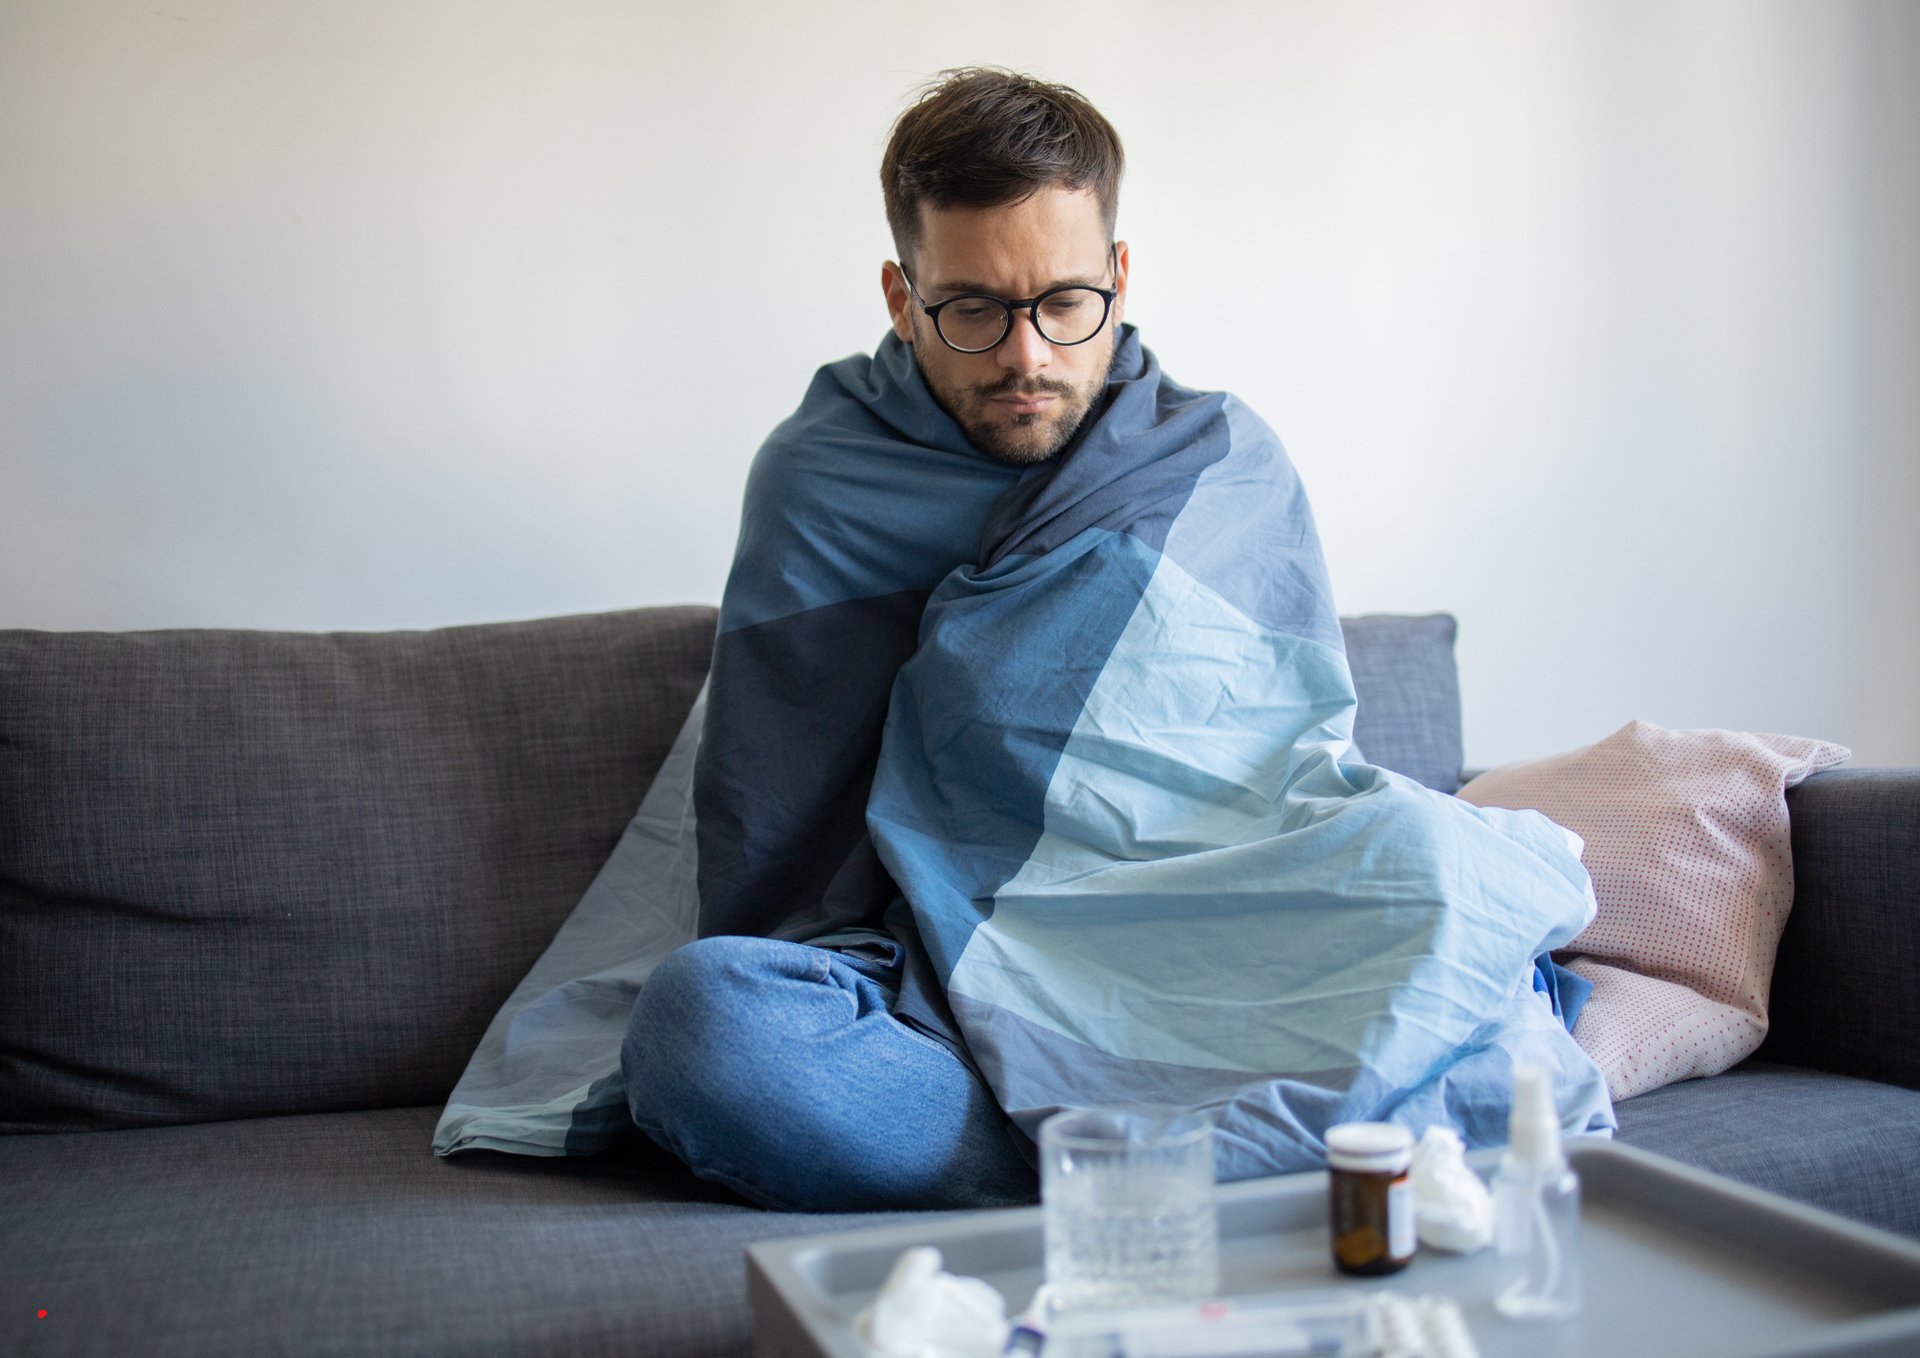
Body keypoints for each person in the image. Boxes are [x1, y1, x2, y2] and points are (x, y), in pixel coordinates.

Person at [618, 68, 1608, 1215]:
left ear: (1120, 275)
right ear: (901, 295)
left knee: (1440, 859)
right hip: (943, 968)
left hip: (1218, 924)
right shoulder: (822, 480)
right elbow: (780, 812)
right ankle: (1176, 1143)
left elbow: (1284, 779)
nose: (1028, 356)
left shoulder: (1218, 458)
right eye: (973, 309)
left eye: (1066, 303)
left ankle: (1105, 1146)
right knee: (706, 1025)